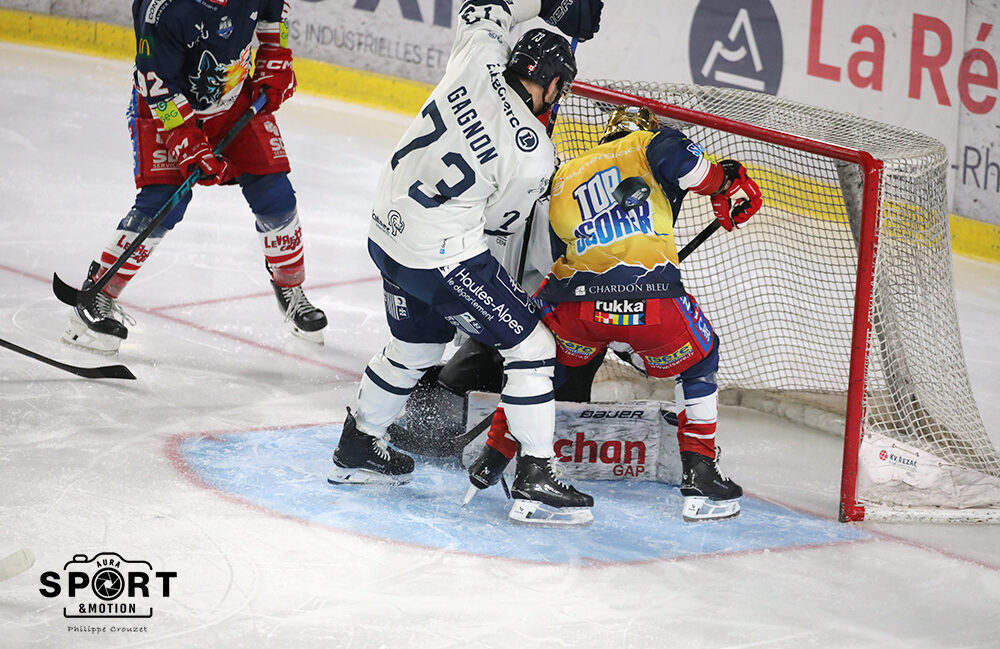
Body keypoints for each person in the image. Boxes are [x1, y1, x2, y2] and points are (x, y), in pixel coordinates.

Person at [327, 0, 604, 527]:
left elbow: (486, 6)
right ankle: (536, 475)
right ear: (550, 84)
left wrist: (548, 5)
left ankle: (359, 445)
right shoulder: (534, 154)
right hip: (439, 256)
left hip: (385, 231)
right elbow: (498, 228)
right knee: (532, 346)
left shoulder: (479, 56)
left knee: (416, 346)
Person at [466, 105, 763, 522]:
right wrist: (724, 183)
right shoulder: (648, 143)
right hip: (650, 301)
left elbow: (560, 250)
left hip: (576, 306)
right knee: (700, 361)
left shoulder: (566, 173)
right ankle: (700, 472)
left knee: (536, 366)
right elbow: (683, 161)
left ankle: (494, 455)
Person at [62, 0, 327, 354]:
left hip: (233, 101)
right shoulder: (162, 9)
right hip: (166, 108)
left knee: (275, 194)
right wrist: (185, 140)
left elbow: (273, 13)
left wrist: (274, 56)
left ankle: (289, 287)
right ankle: (98, 294)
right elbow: (158, 86)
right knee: (164, 201)